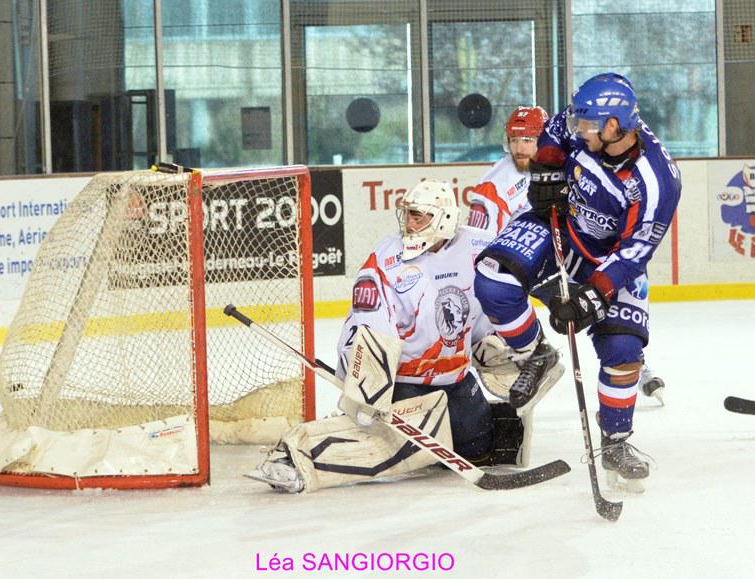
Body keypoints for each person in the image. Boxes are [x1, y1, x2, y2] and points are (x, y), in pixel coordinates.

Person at [247, 180, 535, 493]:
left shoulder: (477, 248)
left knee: (477, 444)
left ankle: (435, 440)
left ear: (444, 219)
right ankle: (294, 457)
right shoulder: (386, 261)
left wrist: (499, 348)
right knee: (389, 448)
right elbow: (367, 334)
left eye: (419, 216)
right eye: (409, 214)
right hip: (404, 383)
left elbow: (484, 314)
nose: (410, 223)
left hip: (455, 379)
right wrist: (369, 392)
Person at [473, 73, 681, 490]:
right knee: (493, 279)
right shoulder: (587, 126)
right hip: (560, 226)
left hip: (610, 259)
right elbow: (554, 129)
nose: (578, 130)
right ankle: (535, 354)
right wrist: (547, 166)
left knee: (623, 351)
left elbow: (634, 253)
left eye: (587, 125)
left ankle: (616, 442)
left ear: (613, 127)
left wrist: (593, 296)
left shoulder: (657, 182)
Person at [469, 104, 666, 406]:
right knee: (548, 302)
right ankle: (534, 355)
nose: (521, 148)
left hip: (579, 250)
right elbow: (478, 244)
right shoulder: (492, 186)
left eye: (529, 140)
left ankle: (632, 361)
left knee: (609, 308)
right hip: (537, 262)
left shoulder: (575, 159)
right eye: (515, 140)